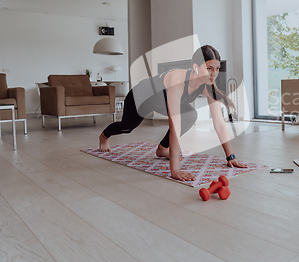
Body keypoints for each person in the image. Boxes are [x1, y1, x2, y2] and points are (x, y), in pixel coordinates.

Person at [99, 45, 247, 181]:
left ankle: (162, 149)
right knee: (127, 127)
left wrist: (230, 157)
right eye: (209, 68)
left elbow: (219, 123)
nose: (214, 74)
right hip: (140, 98)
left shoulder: (208, 84)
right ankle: (104, 136)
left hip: (161, 102)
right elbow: (174, 126)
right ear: (196, 67)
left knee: (190, 115)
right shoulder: (177, 80)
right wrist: (175, 170)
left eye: (217, 68)